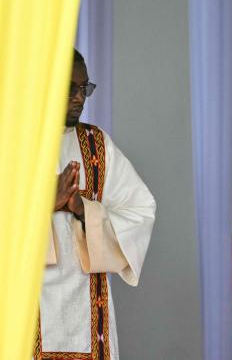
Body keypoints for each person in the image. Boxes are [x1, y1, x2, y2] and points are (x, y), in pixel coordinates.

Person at [36, 50, 156, 359]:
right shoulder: (15, 142)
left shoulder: (96, 145)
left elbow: (140, 211)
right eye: (70, 89)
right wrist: (46, 203)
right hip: (26, 303)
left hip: (88, 310)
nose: (79, 98)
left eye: (85, 88)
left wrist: (82, 208)